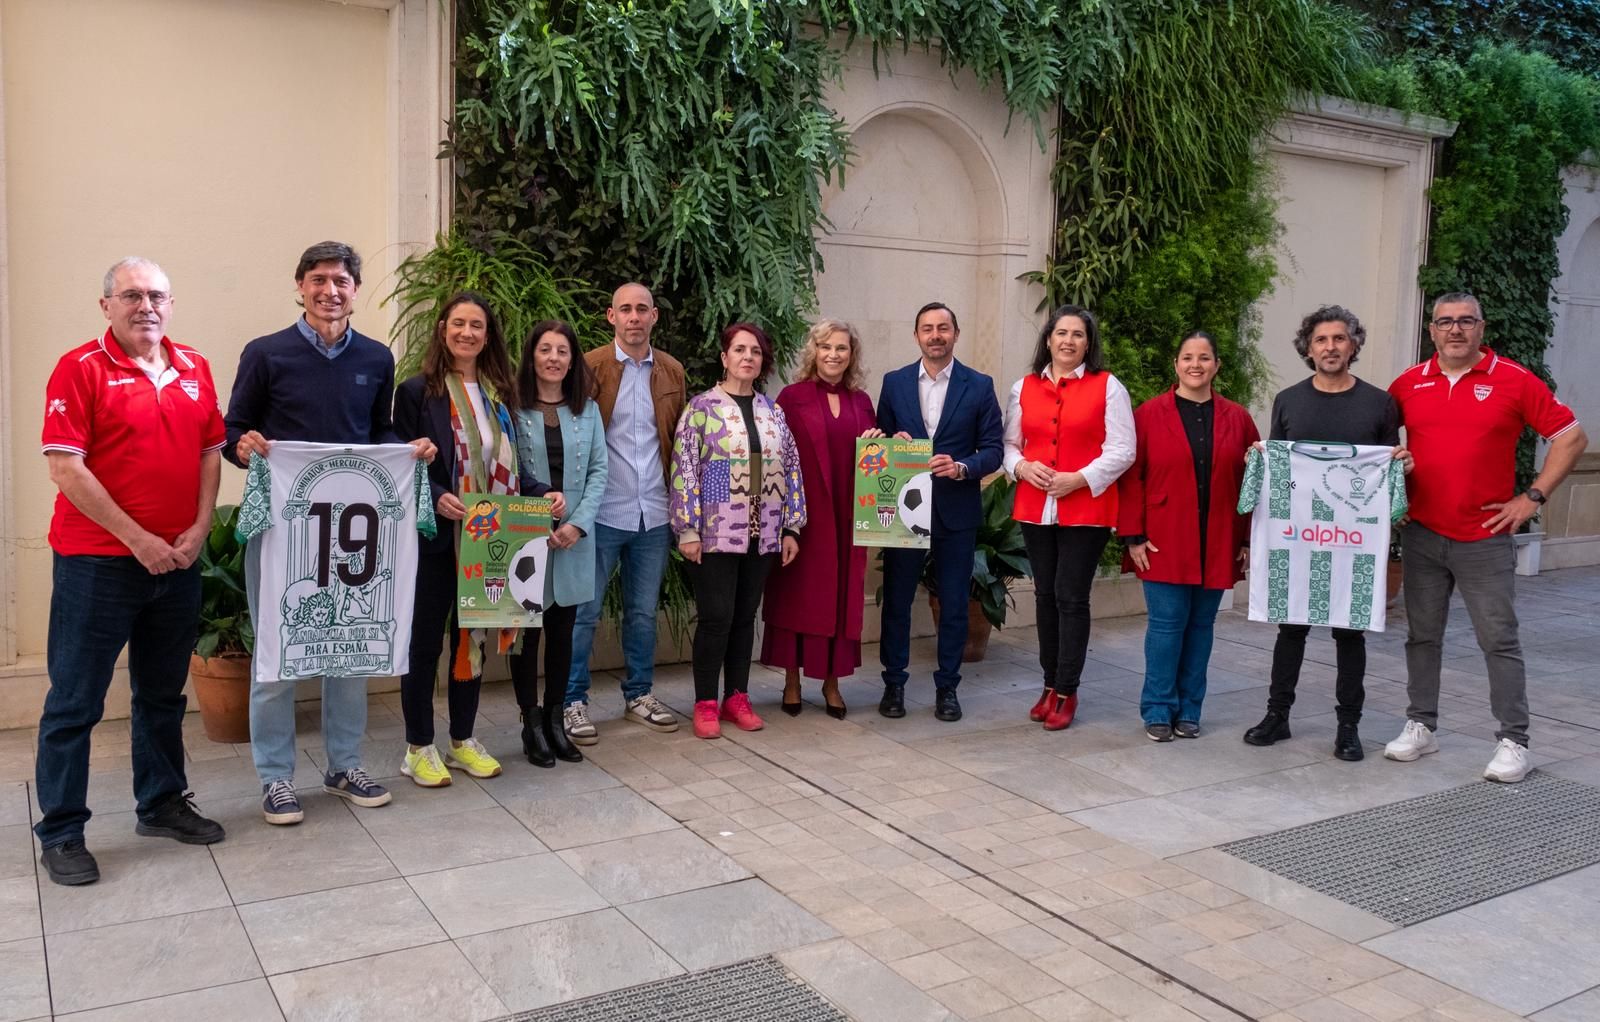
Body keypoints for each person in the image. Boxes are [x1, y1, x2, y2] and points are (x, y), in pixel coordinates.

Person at [225, 241, 437, 824]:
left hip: (351, 535)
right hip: (282, 528)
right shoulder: (266, 354)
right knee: (280, 649)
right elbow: (232, 431)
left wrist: (410, 451)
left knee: (349, 648)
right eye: (318, 279)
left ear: (354, 289)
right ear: (300, 286)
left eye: (341, 280)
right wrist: (244, 448)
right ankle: (276, 778)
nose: (330, 290)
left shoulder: (375, 357)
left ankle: (344, 764)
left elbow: (379, 436)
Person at [33, 258, 228, 885]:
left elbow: (208, 451)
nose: (147, 306)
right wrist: (138, 539)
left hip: (178, 562)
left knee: (162, 695)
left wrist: (199, 529)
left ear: (171, 305)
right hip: (98, 564)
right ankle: (61, 831)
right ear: (107, 305)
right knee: (75, 702)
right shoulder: (79, 368)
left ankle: (162, 802)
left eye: (158, 296)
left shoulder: (194, 365)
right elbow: (66, 468)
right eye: (133, 295)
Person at [1384, 293, 1587, 783]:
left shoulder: (1513, 379)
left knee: (1498, 640)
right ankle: (1421, 725)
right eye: (1445, 322)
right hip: (1424, 533)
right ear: (1431, 330)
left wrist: (1532, 497)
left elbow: (1571, 437)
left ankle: (1514, 741)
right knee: (1421, 635)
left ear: (1481, 327)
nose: (1455, 330)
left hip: (1485, 536)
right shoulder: (1408, 384)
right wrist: (1393, 499)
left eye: (1465, 322)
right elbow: (1376, 447)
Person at [392, 293, 564, 786]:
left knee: (473, 642)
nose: (467, 332)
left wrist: (542, 493)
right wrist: (436, 492)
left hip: (491, 540)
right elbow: (400, 464)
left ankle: (463, 740)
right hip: (436, 539)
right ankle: (418, 747)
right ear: (443, 328)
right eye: (459, 323)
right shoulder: (416, 392)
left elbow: (512, 467)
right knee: (424, 644)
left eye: (478, 326)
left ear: (488, 336)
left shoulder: (498, 394)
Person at [1242, 306, 1404, 760]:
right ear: (1308, 349)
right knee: (1290, 627)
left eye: (1339, 339)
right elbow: (1280, 465)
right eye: (1321, 340)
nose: (1330, 347)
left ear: (1354, 345)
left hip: (1353, 540)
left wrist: (1399, 465)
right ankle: (1278, 716)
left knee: (1349, 633)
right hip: (1298, 538)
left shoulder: (1379, 403)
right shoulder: (1289, 400)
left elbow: (1388, 467)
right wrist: (1262, 456)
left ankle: (1348, 727)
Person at [564, 283, 687, 745]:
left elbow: (678, 442)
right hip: (600, 511)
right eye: (625, 310)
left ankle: (639, 694)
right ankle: (572, 699)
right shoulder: (589, 367)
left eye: (642, 310)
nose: (634, 317)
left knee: (642, 613)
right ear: (610, 316)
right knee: (584, 612)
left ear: (654, 316)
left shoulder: (672, 371)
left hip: (653, 512)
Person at [1120, 332, 1258, 741]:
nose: (1195, 364)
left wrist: (1248, 539)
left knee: (1201, 627)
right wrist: (1132, 536)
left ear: (1217, 365)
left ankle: (1190, 710)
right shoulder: (1147, 415)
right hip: (1163, 538)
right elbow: (1131, 478)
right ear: (1175, 365)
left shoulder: (1239, 418)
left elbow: (1255, 481)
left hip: (1219, 539)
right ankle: (1158, 709)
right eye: (1187, 357)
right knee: (1165, 627)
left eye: (1204, 358)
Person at [671, 323, 806, 738]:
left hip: (762, 534)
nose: (748, 357)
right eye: (740, 350)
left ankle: (737, 697)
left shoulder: (773, 413)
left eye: (756, 352)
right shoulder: (701, 409)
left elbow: (791, 469)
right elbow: (684, 470)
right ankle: (705, 703)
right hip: (713, 534)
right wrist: (687, 529)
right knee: (716, 617)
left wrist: (791, 527)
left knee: (745, 617)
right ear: (725, 357)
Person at [1004, 305, 1134, 731]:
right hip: (1036, 506)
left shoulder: (1109, 387)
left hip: (1086, 508)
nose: (1068, 341)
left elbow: (1122, 450)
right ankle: (1048, 684)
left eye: (1078, 335)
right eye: (1061, 333)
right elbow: (1010, 444)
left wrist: (1078, 479)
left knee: (1071, 597)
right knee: (1044, 595)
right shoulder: (1022, 387)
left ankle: (1067, 688)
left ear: (1088, 344)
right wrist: (1021, 467)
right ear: (1048, 339)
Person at [877, 302, 1005, 723]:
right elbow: (878, 442)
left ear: (956, 333)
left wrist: (962, 467)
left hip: (956, 508)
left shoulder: (979, 385)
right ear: (916, 335)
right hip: (903, 510)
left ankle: (947, 688)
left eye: (943, 328)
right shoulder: (893, 383)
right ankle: (893, 684)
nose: (935, 335)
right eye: (927, 328)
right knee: (896, 601)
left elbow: (994, 451)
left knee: (953, 603)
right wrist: (890, 441)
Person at [760, 319, 882, 718]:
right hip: (804, 518)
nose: (833, 354)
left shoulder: (861, 401)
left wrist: (887, 445)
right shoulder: (792, 398)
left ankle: (831, 683)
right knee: (799, 596)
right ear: (814, 350)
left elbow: (871, 457)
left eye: (842, 348)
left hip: (848, 515)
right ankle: (792, 681)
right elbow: (776, 461)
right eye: (826, 346)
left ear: (852, 355)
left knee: (841, 596)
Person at [512, 320, 606, 765]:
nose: (553, 358)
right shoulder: (511, 408)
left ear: (573, 360)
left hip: (572, 540)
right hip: (526, 540)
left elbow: (599, 473)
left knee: (563, 634)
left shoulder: (586, 409)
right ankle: (531, 724)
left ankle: (555, 719)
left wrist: (578, 524)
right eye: (545, 349)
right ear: (532, 356)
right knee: (526, 636)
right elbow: (505, 470)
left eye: (562, 351)